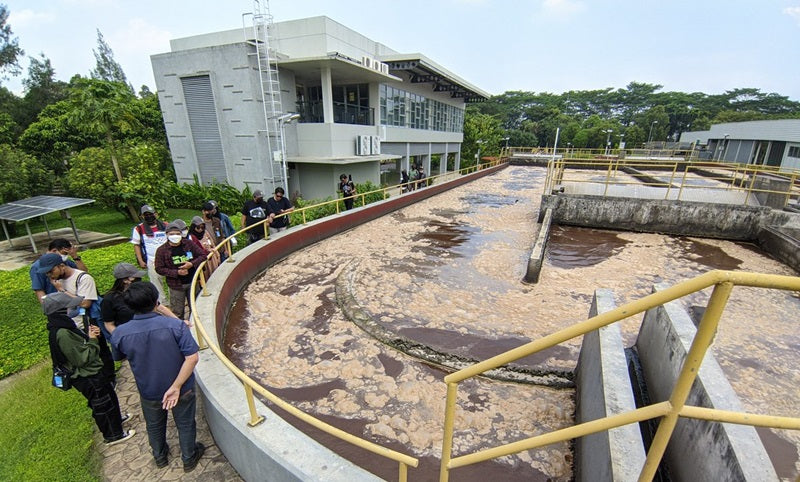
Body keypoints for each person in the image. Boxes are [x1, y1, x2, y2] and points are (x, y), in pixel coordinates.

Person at [110, 282, 204, 471]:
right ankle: (189, 457)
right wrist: (176, 386)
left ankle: (160, 456)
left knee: (153, 424)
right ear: (156, 302)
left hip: (148, 389)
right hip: (182, 388)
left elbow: (119, 356)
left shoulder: (119, 333)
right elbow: (192, 358)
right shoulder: (176, 326)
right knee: (185, 423)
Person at [44, 292, 135, 446]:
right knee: (102, 404)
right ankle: (113, 435)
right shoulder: (63, 333)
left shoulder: (66, 327)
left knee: (109, 397)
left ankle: (116, 420)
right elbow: (82, 359)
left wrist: (91, 336)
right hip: (87, 376)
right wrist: (92, 341)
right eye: (70, 307)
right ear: (61, 310)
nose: (74, 309)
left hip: (94, 372)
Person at [38, 252, 116, 379]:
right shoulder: (58, 281)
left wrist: (62, 290)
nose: (50, 275)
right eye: (47, 273)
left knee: (100, 351)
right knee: (85, 356)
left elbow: (85, 303)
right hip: (72, 325)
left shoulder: (83, 278)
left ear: (61, 266)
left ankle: (110, 378)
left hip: (88, 323)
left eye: (51, 271)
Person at [102, 263, 178, 336]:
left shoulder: (142, 291)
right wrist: (121, 337)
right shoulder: (109, 299)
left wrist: (178, 321)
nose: (139, 279)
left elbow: (160, 307)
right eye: (135, 277)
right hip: (129, 335)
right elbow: (109, 324)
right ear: (125, 280)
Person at [154, 221, 207, 321]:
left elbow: (203, 255)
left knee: (196, 307)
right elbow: (159, 268)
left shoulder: (188, 244)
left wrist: (191, 264)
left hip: (192, 282)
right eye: (172, 234)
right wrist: (176, 272)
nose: (175, 236)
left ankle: (195, 325)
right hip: (176, 285)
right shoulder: (162, 250)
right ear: (167, 235)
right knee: (177, 312)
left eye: (177, 234)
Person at [131, 204, 168, 304]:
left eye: (151, 214)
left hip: (167, 258)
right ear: (142, 216)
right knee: (156, 282)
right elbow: (136, 245)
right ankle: (162, 303)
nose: (149, 217)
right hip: (152, 259)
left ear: (156, 214)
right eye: (146, 215)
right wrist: (140, 260)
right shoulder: (139, 229)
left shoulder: (165, 225)